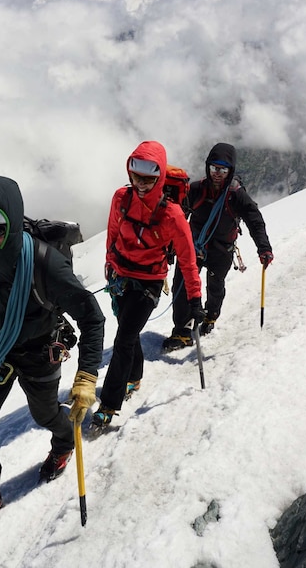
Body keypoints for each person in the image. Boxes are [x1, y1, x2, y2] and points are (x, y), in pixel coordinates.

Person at [0, 175, 105, 536]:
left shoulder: (46, 266)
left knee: (45, 413)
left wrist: (86, 377)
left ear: (12, 224)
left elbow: (92, 318)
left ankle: (64, 440)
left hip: (38, 351)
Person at [93, 141, 204, 428]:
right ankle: (134, 376)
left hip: (149, 283)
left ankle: (109, 403)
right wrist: (109, 261)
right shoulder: (121, 198)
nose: (140, 184)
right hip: (121, 276)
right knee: (127, 332)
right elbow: (114, 233)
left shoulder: (173, 215)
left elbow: (188, 261)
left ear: (160, 178)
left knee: (124, 338)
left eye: (148, 179)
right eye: (136, 177)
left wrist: (195, 300)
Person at [162, 142, 273, 351]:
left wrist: (263, 248)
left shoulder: (236, 195)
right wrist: (169, 244)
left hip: (221, 250)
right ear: (208, 167)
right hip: (194, 246)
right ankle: (182, 331)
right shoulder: (196, 190)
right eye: (214, 168)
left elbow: (254, 219)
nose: (218, 174)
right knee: (182, 285)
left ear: (230, 171)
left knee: (215, 285)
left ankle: (210, 316)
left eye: (223, 169)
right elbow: (176, 215)